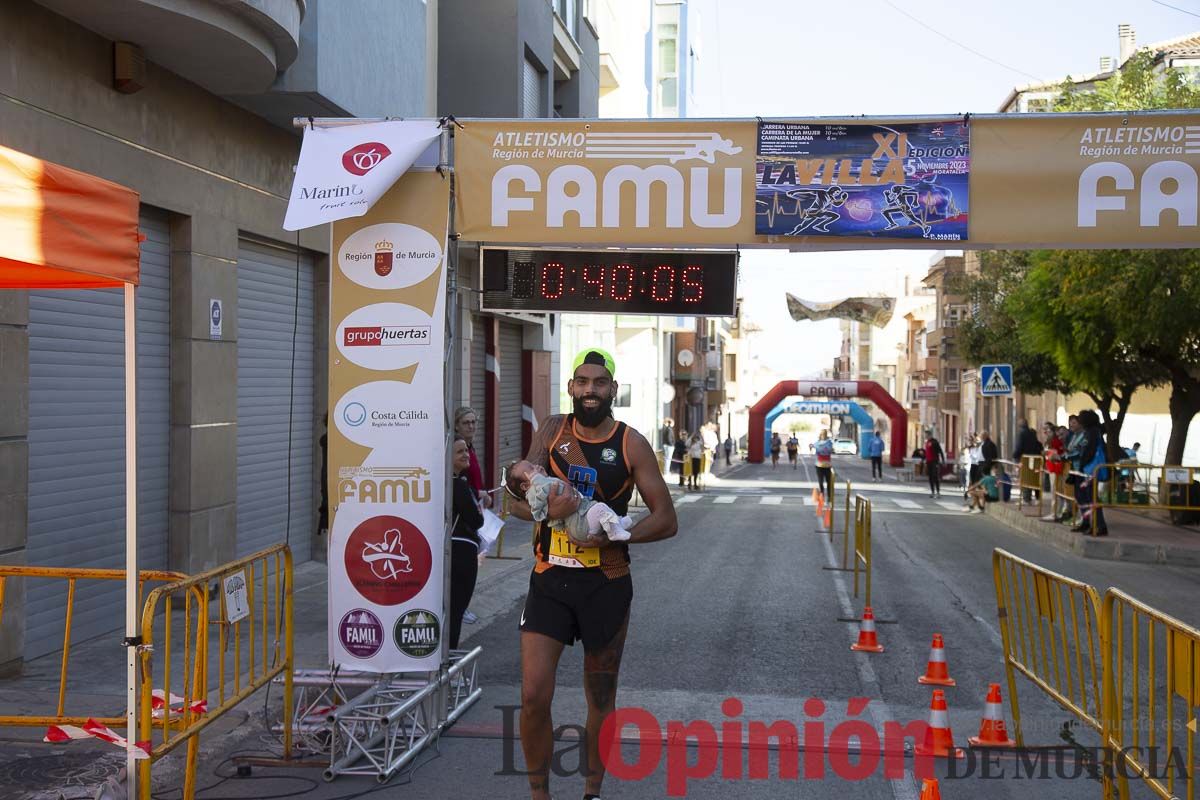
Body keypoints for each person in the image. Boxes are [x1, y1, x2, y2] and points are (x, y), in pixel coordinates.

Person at [508, 348, 677, 800]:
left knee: (600, 698)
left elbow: (666, 519)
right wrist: (546, 509)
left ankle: (592, 792)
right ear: (570, 388)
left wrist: (616, 537)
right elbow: (515, 500)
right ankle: (539, 795)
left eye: (599, 383)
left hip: (606, 583)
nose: (589, 390)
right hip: (550, 579)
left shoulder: (630, 443)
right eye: (582, 382)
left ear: (612, 391)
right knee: (533, 696)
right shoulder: (551, 431)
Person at [507, 460, 633, 544]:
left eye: (533, 464)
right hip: (580, 524)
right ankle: (615, 531)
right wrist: (537, 478)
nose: (537, 467)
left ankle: (617, 523)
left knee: (600, 509)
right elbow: (538, 504)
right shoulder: (535, 491)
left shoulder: (543, 485)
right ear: (524, 486)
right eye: (531, 468)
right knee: (600, 508)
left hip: (582, 520)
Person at [449, 436, 483, 649]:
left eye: (466, 450)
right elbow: (476, 520)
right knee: (455, 611)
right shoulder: (457, 486)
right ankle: (448, 663)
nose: (465, 455)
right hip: (461, 552)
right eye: (459, 451)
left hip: (449, 551)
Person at [1073, 409, 1109, 536]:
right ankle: (1087, 521)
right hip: (1085, 470)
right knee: (1082, 496)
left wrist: (1082, 465)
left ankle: (1099, 525)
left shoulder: (1093, 433)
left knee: (1092, 497)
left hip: (1089, 470)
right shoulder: (1089, 432)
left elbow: (1089, 451)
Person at [454, 407, 493, 510]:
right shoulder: (455, 450)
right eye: (466, 423)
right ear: (457, 426)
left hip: (477, 505)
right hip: (464, 507)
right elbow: (456, 482)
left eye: (473, 422)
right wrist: (478, 493)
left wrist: (484, 494)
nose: (471, 426)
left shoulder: (470, 447)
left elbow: (476, 477)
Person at [1040, 423, 1066, 522]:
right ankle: (1055, 512)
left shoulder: (1055, 441)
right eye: (1044, 429)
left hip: (1056, 468)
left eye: (1048, 430)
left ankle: (1055, 512)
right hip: (1051, 468)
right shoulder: (1048, 441)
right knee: (1054, 490)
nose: (1046, 431)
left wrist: (1049, 453)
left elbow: (1058, 453)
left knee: (1055, 490)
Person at [1012, 419, 1042, 503]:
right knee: (1034, 478)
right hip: (1034, 459)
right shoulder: (1032, 433)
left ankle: (1026, 498)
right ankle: (1037, 497)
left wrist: (1015, 455)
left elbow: (1019, 446)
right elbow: (1037, 444)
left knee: (1025, 478)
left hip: (1025, 460)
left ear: (1020, 425)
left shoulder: (1021, 433)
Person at [814, 429, 834, 498]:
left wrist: (822, 448)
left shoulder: (829, 442)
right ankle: (822, 495)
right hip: (819, 464)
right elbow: (817, 450)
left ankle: (829, 496)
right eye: (822, 434)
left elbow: (829, 450)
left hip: (827, 465)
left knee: (829, 482)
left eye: (824, 434)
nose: (823, 435)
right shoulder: (817, 442)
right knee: (820, 482)